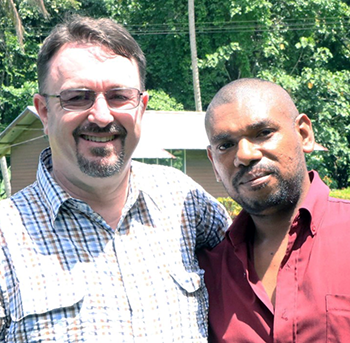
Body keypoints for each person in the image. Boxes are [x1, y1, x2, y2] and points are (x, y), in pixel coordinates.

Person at [0, 15, 230, 342]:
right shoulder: (6, 238)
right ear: (45, 112)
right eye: (77, 97)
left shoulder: (184, 202)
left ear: (141, 107)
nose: (102, 115)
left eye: (119, 96)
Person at [198, 78, 350, 342]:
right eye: (226, 145)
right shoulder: (209, 272)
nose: (244, 154)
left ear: (304, 134)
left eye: (263, 132)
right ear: (213, 162)